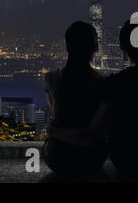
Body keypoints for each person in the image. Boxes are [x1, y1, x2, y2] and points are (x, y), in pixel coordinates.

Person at [47, 18, 138, 177]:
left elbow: (92, 134)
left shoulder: (114, 84)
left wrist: (53, 131)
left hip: (127, 163)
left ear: (122, 47)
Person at [44, 21, 108, 175]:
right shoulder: (102, 83)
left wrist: (52, 131)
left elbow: (58, 116)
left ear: (67, 47)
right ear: (96, 48)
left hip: (56, 158)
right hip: (92, 159)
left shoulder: (50, 78)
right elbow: (95, 134)